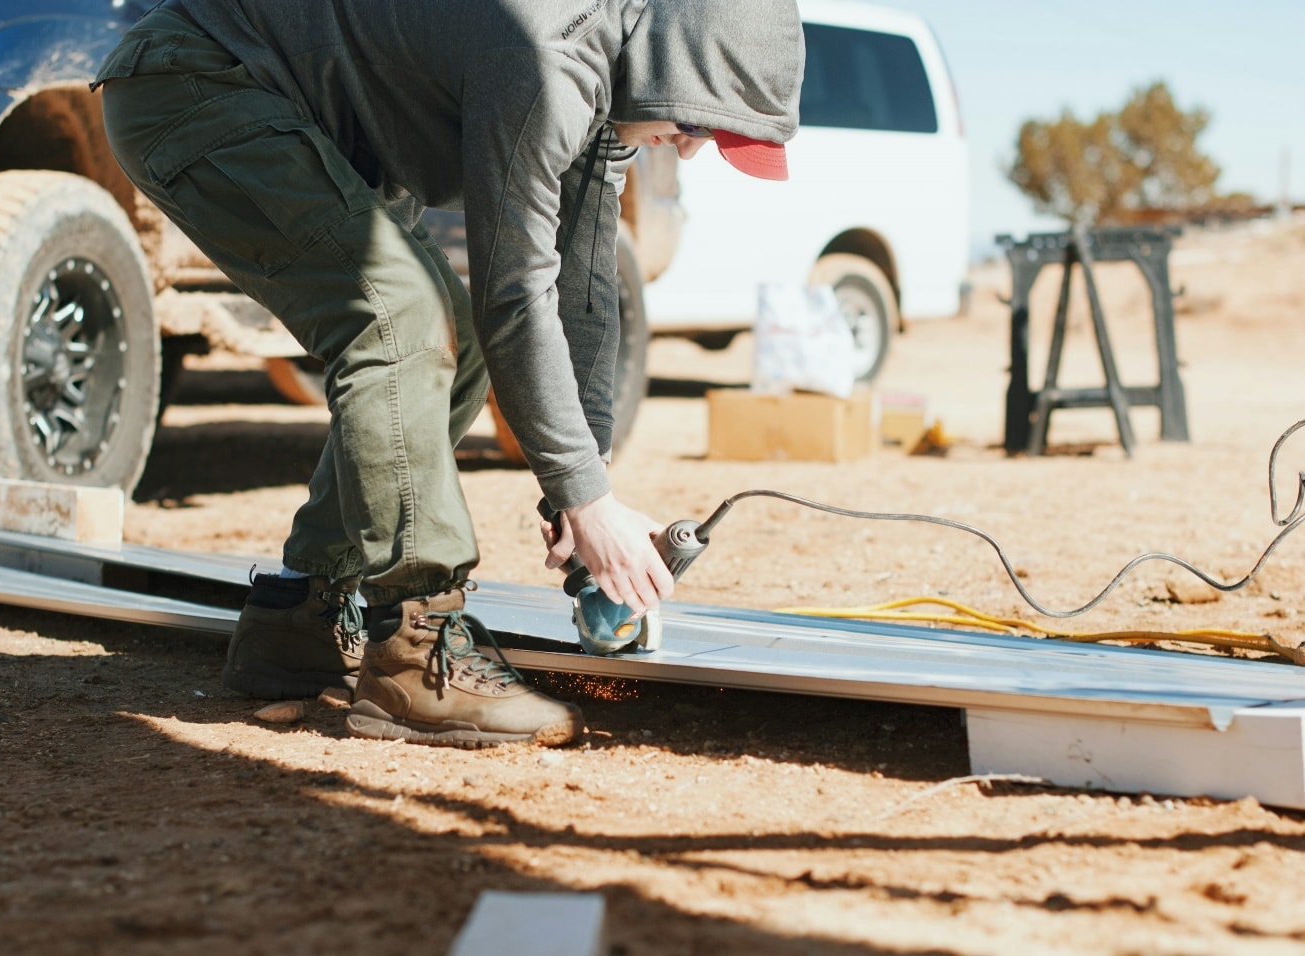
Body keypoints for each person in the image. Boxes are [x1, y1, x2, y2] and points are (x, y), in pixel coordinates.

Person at [94, 0, 804, 749]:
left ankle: (299, 619)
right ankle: (414, 656)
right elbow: (515, 291)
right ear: (674, 58)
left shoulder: (608, 97)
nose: (688, 152)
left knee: (451, 342)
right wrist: (589, 505)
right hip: (195, 82)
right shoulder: (549, 58)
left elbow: (583, 292)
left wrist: (578, 485)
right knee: (399, 321)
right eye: (696, 126)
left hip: (279, 105)